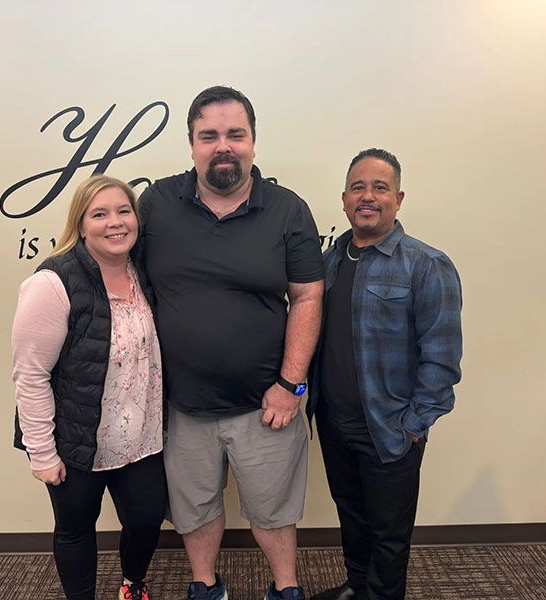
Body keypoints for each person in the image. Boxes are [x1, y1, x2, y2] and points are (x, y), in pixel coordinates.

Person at [138, 85, 324, 600]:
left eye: (235, 134)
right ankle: (205, 585)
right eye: (209, 136)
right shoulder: (156, 203)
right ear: (192, 144)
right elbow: (124, 279)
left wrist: (291, 384)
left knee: (274, 508)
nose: (223, 145)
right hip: (180, 404)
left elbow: (307, 298)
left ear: (253, 142)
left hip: (268, 403)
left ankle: (285, 588)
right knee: (194, 509)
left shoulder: (288, 210)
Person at [307, 149, 463, 600]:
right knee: (352, 521)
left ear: (398, 198)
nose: (367, 196)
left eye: (379, 187)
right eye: (358, 187)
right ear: (344, 199)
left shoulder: (426, 264)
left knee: (389, 536)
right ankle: (357, 588)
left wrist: (413, 426)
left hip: (389, 429)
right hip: (335, 425)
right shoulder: (331, 261)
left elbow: (442, 356)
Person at [12, 175, 167, 600]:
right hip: (77, 442)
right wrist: (42, 452)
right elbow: (31, 374)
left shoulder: (144, 274)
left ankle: (133, 584)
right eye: (99, 214)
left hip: (140, 440)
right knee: (76, 530)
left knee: (147, 520)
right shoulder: (52, 282)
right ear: (81, 225)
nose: (115, 223)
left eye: (123, 211)